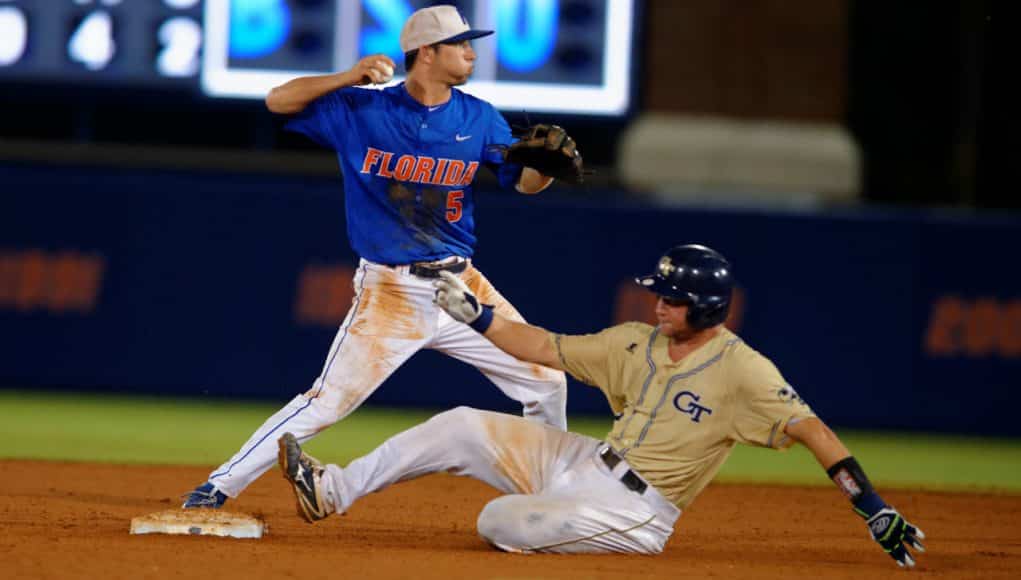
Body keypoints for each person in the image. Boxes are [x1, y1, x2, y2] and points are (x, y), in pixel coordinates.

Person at [276, 243, 927, 566]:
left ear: (701, 306)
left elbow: (811, 430)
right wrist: (476, 316)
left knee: (500, 521)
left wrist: (872, 507)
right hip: (587, 463)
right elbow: (541, 345)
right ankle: (329, 490)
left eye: (668, 298)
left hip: (639, 513)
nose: (657, 303)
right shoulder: (634, 342)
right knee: (461, 426)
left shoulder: (743, 372)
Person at [182, 4, 576, 509]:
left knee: (545, 380)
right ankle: (219, 486)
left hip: (462, 289)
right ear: (427, 53)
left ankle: (555, 494)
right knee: (326, 403)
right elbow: (277, 101)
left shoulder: (479, 118)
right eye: (461, 44)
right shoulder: (361, 109)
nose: (472, 52)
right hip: (392, 290)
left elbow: (523, 184)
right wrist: (349, 75)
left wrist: (543, 168)